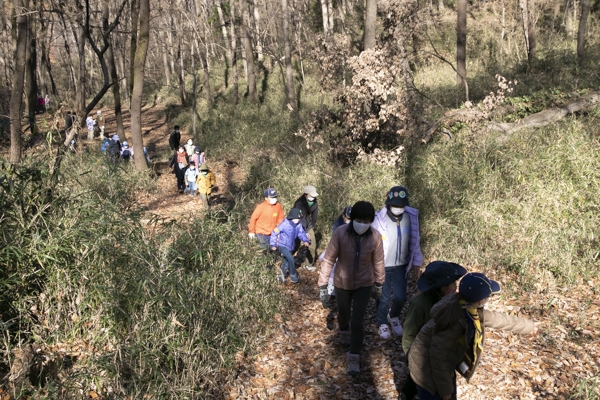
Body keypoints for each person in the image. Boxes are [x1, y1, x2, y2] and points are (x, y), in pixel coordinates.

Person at [408, 272, 541, 400]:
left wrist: (529, 326)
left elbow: (497, 319)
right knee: (440, 394)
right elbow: (438, 356)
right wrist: (445, 389)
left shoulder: (466, 306)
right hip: (427, 369)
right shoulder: (453, 321)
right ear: (482, 299)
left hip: (440, 366)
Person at [318, 201, 385, 375]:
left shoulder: (375, 237)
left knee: (357, 321)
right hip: (342, 282)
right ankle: (343, 329)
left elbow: (378, 262)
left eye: (366, 220)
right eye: (359, 219)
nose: (362, 224)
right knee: (344, 314)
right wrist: (323, 285)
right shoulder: (340, 233)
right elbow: (329, 259)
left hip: (365, 283)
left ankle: (354, 356)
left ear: (371, 221)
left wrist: (379, 283)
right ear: (352, 218)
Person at [400, 261, 467, 400]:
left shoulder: (451, 302)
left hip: (441, 355)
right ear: (443, 288)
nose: (455, 287)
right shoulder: (420, 304)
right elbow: (409, 334)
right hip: (423, 354)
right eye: (453, 284)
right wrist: (411, 360)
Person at [372, 186, 422, 340]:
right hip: (383, 265)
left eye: (401, 205)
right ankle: (382, 323)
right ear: (388, 203)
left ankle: (393, 317)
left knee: (401, 297)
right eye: (395, 205)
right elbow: (372, 243)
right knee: (383, 297)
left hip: (401, 265)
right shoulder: (379, 219)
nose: (398, 208)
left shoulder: (410, 218)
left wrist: (416, 263)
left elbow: (415, 242)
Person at [270, 208, 311, 284]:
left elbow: (301, 233)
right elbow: (274, 232)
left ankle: (281, 275)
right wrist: (273, 244)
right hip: (282, 245)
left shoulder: (298, 225)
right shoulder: (285, 224)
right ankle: (293, 275)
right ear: (291, 217)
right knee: (291, 259)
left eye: (298, 219)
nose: (297, 220)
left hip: (291, 246)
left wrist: (305, 240)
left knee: (286, 262)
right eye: (295, 218)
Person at [293, 185, 319, 271]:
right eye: (311, 195)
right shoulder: (299, 204)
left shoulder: (315, 203)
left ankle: (309, 265)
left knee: (312, 244)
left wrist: (311, 227)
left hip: (308, 224)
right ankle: (287, 259)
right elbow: (300, 219)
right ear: (306, 194)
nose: (313, 197)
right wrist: (304, 232)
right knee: (295, 244)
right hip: (297, 225)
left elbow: (314, 217)